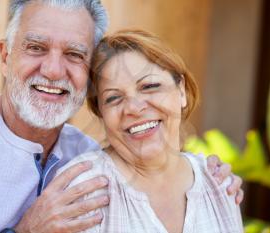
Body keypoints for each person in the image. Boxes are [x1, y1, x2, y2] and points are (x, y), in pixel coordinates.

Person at [0, 1, 243, 233]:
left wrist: (208, 174)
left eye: (74, 54)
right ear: (5, 56)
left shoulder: (84, 151)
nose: (53, 70)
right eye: (36, 48)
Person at [57, 29, 244, 233]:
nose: (134, 108)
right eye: (113, 98)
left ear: (181, 90)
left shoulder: (218, 183)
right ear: (101, 113)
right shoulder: (84, 189)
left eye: (149, 86)